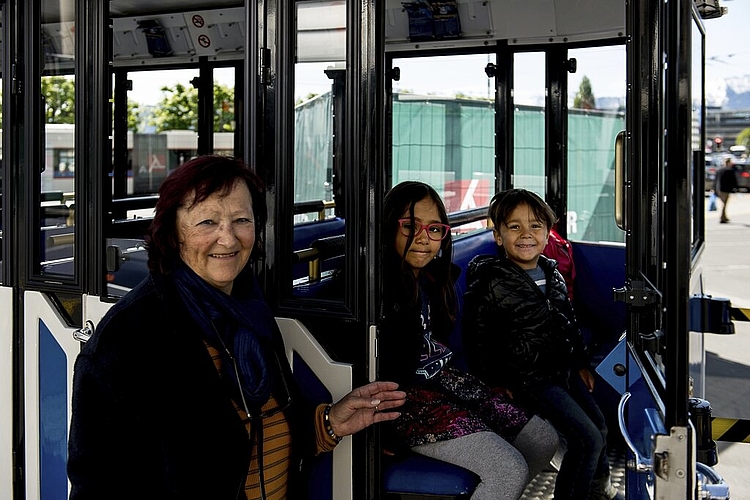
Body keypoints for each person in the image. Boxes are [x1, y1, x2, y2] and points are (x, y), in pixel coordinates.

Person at [67, 155, 406, 500]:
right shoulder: (127, 342)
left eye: (241, 220)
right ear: (172, 231)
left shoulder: (249, 314)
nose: (228, 239)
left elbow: (263, 428)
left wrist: (331, 423)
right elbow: (96, 485)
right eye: (207, 222)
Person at [378, 181, 559, 500]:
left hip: (444, 382)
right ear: (389, 225)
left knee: (542, 438)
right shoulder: (377, 290)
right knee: (508, 468)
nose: (423, 239)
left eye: (434, 229)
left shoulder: (431, 281)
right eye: (410, 226)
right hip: (408, 402)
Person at [462, 188, 623, 500]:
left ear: (549, 233)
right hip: (528, 378)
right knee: (586, 438)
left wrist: (579, 363)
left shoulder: (552, 273)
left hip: (562, 370)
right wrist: (494, 381)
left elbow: (568, 322)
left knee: (600, 428)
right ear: (498, 236)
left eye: (536, 226)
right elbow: (477, 337)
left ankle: (597, 490)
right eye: (514, 227)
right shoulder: (491, 281)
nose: (526, 235)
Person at [715, 156, 738, 223]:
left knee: (724, 203)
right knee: (724, 204)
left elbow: (716, 181)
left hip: (719, 189)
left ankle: (724, 217)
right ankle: (723, 217)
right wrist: (735, 188)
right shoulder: (730, 171)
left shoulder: (719, 170)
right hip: (726, 190)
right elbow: (733, 181)